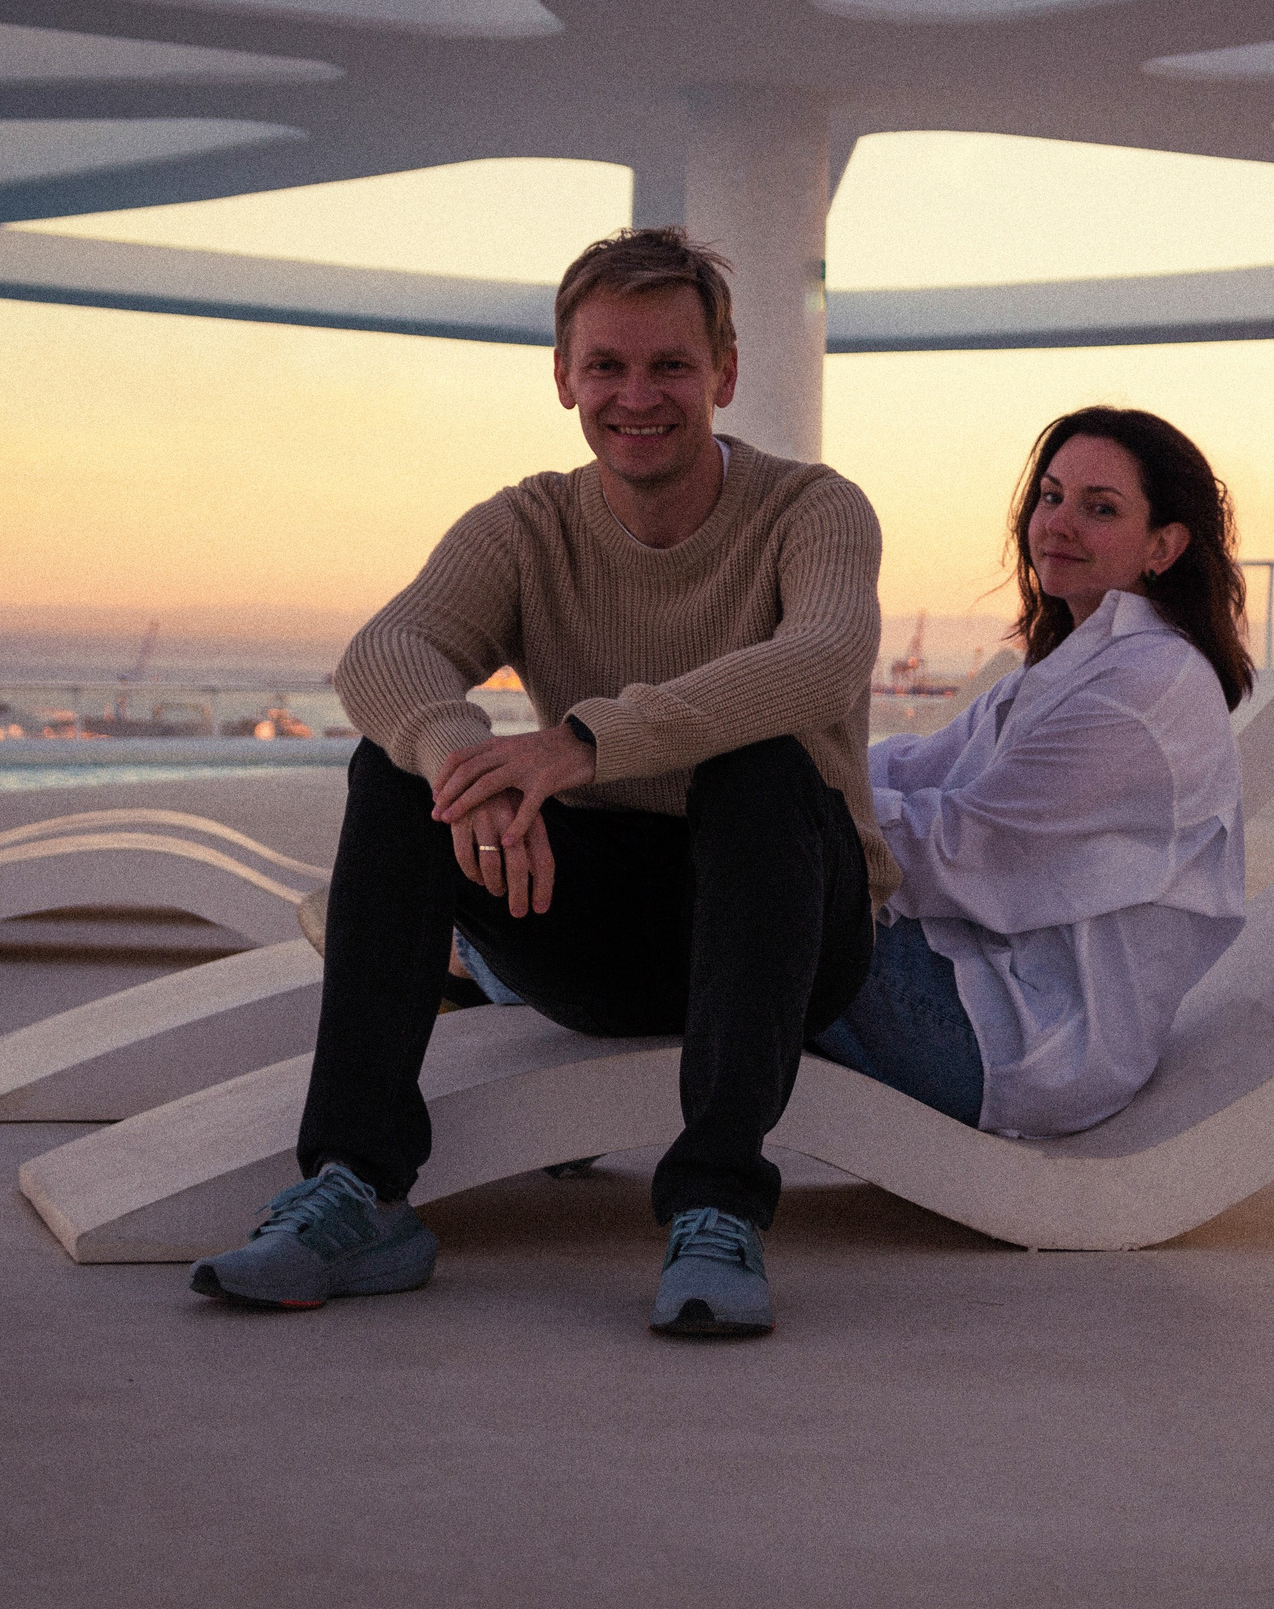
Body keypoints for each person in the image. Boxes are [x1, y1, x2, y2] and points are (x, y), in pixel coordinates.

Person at [189, 227, 888, 1336]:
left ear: (725, 373)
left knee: (759, 767)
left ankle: (715, 1204)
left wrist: (583, 742)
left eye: (670, 364)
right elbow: (386, 651)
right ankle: (358, 1188)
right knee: (397, 768)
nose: (636, 396)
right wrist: (463, 763)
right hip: (592, 934)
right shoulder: (527, 525)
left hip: (790, 929)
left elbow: (824, 658)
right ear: (564, 376)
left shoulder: (811, 508)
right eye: (606, 365)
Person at [809, 407, 1253, 1139]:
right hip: (969, 980)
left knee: (750, 881)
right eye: (1051, 497)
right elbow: (918, 763)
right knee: (724, 865)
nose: (1059, 524)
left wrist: (793, 802)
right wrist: (802, 764)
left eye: (1099, 508)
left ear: (1164, 545)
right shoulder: (1076, 661)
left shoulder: (1143, 689)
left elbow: (961, 849)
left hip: (1014, 1038)